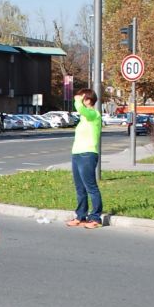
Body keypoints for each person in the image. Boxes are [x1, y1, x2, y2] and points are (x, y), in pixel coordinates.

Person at [67, 88, 103, 229]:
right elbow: (81, 112)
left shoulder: (94, 114)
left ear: (88, 100)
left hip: (88, 154)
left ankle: (95, 218)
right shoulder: (84, 118)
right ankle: (81, 216)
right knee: (79, 187)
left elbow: (81, 109)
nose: (80, 102)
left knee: (91, 187)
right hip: (77, 154)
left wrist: (77, 99)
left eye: (82, 99)